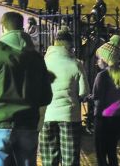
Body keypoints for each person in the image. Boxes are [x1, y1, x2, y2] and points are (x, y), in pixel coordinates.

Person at [0, 11, 52, 166]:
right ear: (22, 28)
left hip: (0, 123)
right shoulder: (36, 57)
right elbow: (46, 97)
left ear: (3, 28)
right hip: (28, 124)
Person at [40, 26, 89, 166]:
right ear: (70, 45)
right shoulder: (76, 64)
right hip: (70, 117)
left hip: (47, 116)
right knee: (70, 159)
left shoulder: (43, 63)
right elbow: (84, 92)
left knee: (49, 160)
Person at [92, 35, 120, 166]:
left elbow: (97, 97)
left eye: (99, 58)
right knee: (112, 151)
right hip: (118, 117)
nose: (97, 61)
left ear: (105, 59)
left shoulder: (102, 75)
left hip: (103, 119)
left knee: (101, 153)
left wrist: (87, 97)